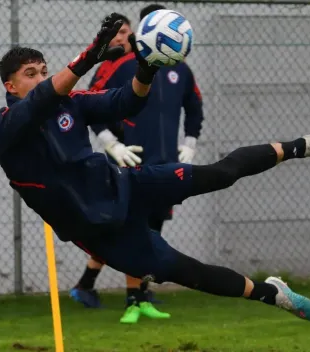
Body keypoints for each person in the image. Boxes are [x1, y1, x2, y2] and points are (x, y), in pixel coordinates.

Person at [0, 13, 310, 325]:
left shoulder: (71, 103)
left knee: (221, 174)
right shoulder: (4, 127)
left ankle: (301, 146)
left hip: (126, 185)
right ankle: (272, 294)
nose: (39, 78)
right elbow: (38, 102)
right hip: (100, 231)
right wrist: (87, 59)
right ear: (10, 86)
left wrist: (146, 68)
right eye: (29, 74)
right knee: (185, 271)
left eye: (43, 71)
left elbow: (127, 102)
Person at [70, 8, 204, 324]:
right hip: (130, 160)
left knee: (152, 227)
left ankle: (130, 292)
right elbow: (89, 103)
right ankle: (133, 298)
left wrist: (190, 142)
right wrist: (111, 143)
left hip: (166, 159)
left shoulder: (180, 69)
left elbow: (194, 107)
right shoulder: (121, 66)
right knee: (131, 228)